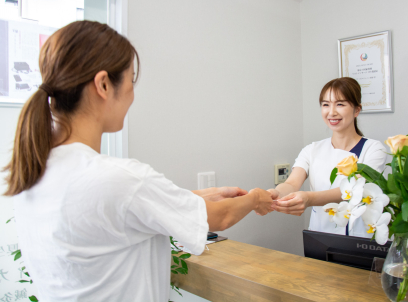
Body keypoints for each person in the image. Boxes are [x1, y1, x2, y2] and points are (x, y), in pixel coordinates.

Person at [2, 21, 273, 302]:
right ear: (104, 85)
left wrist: (195, 196)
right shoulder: (120, 179)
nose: (133, 93)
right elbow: (221, 217)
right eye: (131, 80)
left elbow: (112, 214)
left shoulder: (35, 171)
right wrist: (255, 198)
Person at [268, 77, 387, 237]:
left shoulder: (373, 149)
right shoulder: (311, 150)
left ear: (357, 110)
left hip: (359, 236)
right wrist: (275, 194)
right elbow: (291, 183)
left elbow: (353, 190)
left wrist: (309, 198)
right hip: (320, 235)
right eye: (325, 104)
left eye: (340, 104)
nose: (331, 112)